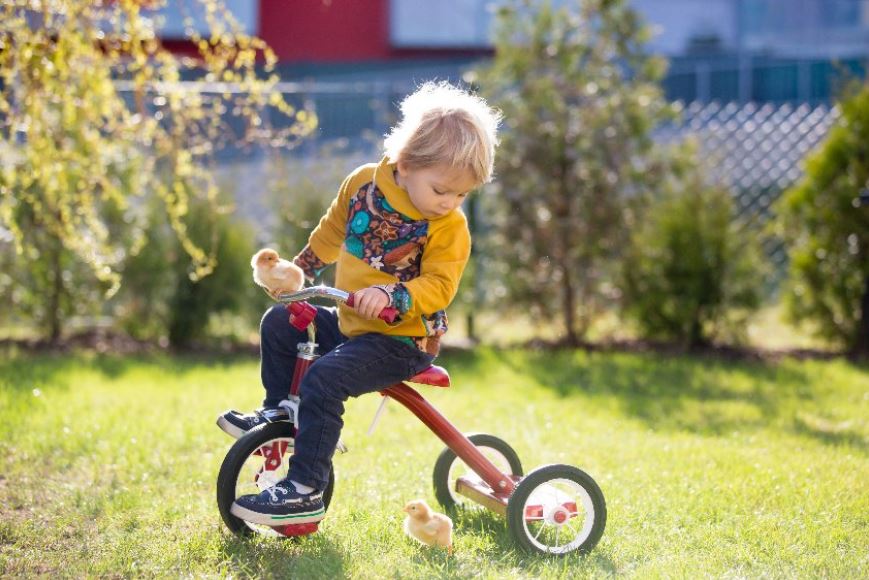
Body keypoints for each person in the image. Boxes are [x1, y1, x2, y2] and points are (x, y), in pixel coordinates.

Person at [219, 81, 501, 526]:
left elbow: (440, 286)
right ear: (406, 164)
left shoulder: (448, 226)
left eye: (462, 195)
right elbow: (332, 232)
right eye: (443, 190)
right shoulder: (362, 184)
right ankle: (278, 408)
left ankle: (306, 488)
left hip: (402, 339)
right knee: (281, 322)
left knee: (326, 378)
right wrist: (300, 271)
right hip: (353, 324)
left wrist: (392, 293)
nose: (450, 203)